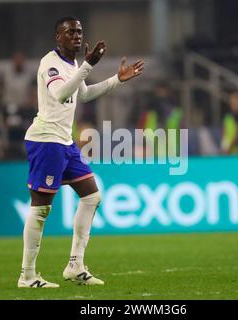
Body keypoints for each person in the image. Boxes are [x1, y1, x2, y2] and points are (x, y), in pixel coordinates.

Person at [18, 16, 144, 288]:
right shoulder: (49, 63)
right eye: (69, 32)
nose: (76, 36)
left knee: (92, 196)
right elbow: (62, 94)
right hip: (46, 140)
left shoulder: (72, 63)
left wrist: (116, 80)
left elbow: (81, 95)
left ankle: (75, 266)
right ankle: (27, 275)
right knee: (41, 209)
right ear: (57, 37)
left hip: (65, 142)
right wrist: (88, 65)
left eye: (79, 32)